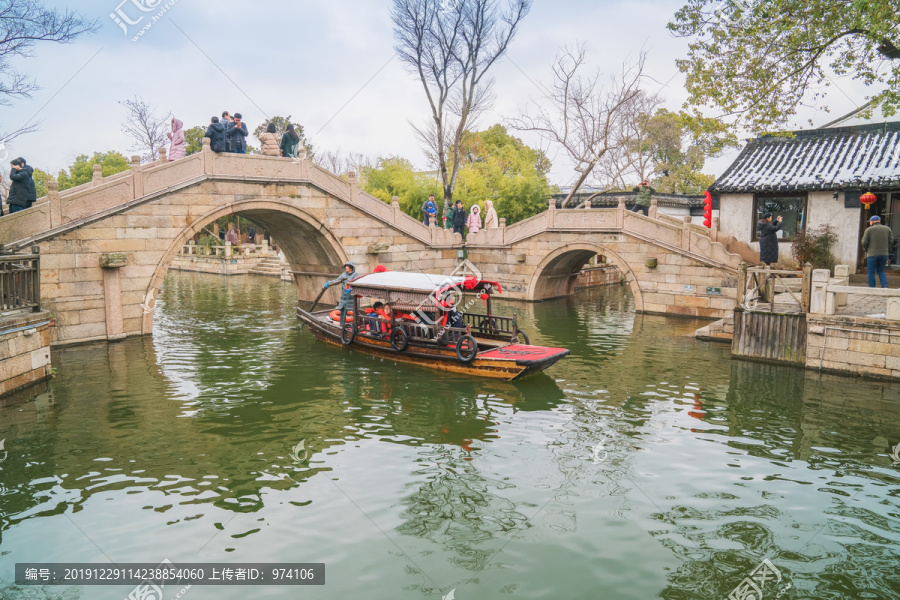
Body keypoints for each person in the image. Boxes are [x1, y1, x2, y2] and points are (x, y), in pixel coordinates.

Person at [862, 215, 894, 288]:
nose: (869, 223)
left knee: (871, 272)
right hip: (884, 254)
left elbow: (864, 242)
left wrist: (866, 250)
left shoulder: (869, 230)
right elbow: (891, 241)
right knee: (881, 271)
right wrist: (886, 249)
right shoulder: (887, 229)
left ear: (872, 221)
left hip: (872, 254)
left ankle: (872, 288)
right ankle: (885, 287)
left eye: (870, 221)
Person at [324, 261, 358, 329]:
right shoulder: (343, 275)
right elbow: (337, 281)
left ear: (351, 268)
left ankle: (357, 324)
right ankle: (342, 325)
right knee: (342, 310)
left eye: (347, 267)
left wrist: (351, 289)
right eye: (345, 267)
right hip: (344, 297)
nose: (345, 268)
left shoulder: (356, 275)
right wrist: (329, 283)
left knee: (355, 310)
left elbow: (357, 284)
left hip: (352, 297)